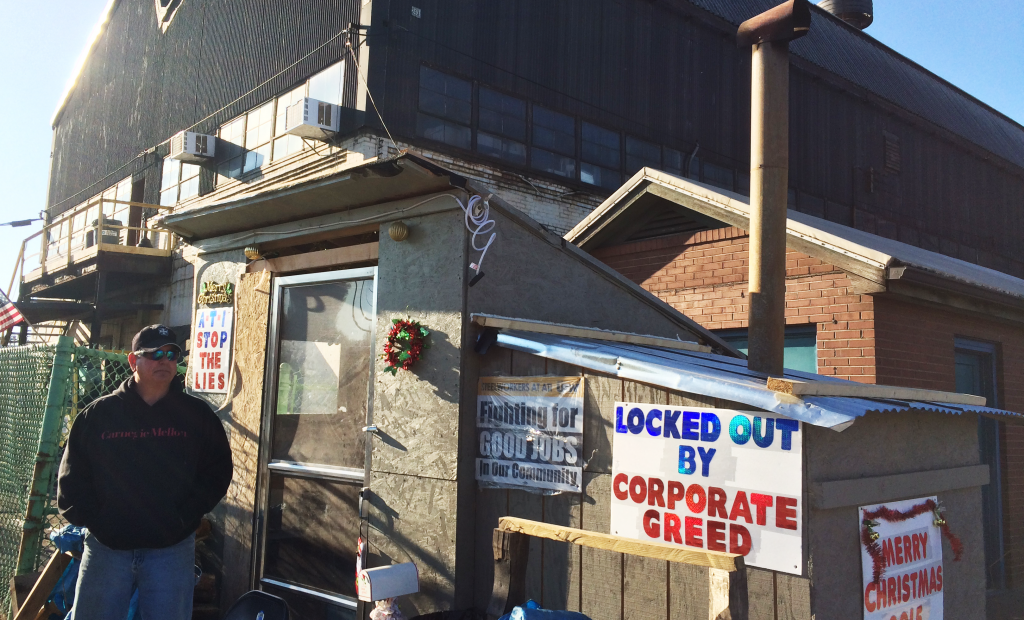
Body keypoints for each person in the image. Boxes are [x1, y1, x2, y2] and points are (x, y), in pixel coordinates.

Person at [57, 325, 233, 620]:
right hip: (107, 549)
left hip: (171, 550)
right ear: (132, 361)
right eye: (153, 354)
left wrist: (183, 516)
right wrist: (100, 523)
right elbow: (71, 482)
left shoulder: (197, 416)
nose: (163, 360)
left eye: (170, 354)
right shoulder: (98, 415)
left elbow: (217, 472)